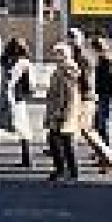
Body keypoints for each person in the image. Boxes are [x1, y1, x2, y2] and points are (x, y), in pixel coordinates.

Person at [68, 26, 112, 171]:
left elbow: (86, 77)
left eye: (72, 38)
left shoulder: (82, 55)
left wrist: (81, 90)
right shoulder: (82, 54)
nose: (70, 41)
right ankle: (106, 156)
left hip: (86, 96)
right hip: (87, 95)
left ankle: (108, 156)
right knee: (85, 129)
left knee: (87, 129)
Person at [0, 35, 33, 169]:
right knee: (22, 129)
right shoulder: (25, 63)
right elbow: (30, 84)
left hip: (5, 97)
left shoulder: (7, 61)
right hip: (17, 98)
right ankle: (27, 158)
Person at [45, 41, 82, 182]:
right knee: (63, 141)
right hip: (63, 109)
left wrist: (60, 112)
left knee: (59, 140)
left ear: (62, 55)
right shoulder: (62, 69)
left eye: (56, 54)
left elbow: (66, 94)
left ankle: (65, 170)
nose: (53, 56)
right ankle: (67, 170)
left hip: (63, 110)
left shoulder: (66, 70)